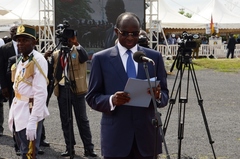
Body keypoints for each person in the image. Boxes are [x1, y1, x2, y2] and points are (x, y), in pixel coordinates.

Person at [86, 12, 169, 159]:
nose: (130, 37)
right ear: (116, 31)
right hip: (116, 138)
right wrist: (111, 100)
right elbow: (92, 97)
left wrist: (158, 96)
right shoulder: (101, 59)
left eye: (135, 33)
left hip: (147, 138)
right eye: (125, 33)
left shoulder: (153, 58)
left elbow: (164, 94)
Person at [44, 33, 97, 157]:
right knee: (66, 120)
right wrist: (45, 58)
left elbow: (85, 57)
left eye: (69, 38)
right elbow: (49, 70)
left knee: (82, 120)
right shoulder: (57, 54)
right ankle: (69, 147)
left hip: (77, 90)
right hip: (62, 91)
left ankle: (88, 148)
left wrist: (76, 43)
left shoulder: (78, 51)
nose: (67, 40)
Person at [8, 24, 49, 158]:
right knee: (22, 149)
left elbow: (41, 93)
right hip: (19, 109)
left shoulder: (38, 60)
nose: (20, 43)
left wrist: (33, 120)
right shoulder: (21, 57)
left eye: (25, 40)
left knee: (29, 153)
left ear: (34, 42)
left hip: (30, 111)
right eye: (18, 40)